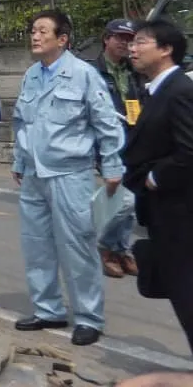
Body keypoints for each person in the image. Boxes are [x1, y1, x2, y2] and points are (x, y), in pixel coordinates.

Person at [12, 9, 125, 347]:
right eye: (33, 30)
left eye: (43, 31)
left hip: (69, 173)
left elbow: (106, 124)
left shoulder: (83, 74)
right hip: (34, 174)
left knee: (77, 247)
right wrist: (19, 159)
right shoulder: (32, 74)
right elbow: (22, 121)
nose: (35, 36)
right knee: (37, 246)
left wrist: (112, 165)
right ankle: (48, 310)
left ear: (62, 39)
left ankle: (89, 317)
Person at [124, 18, 193, 354]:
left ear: (165, 50)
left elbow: (189, 151)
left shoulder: (180, 91)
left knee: (186, 290)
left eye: (140, 42)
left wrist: (154, 178)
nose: (131, 49)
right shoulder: (154, 89)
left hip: (180, 213)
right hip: (162, 212)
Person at [88, 18, 142, 278]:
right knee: (121, 198)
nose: (124, 43)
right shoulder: (93, 71)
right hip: (106, 143)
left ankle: (121, 248)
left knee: (131, 199)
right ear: (106, 38)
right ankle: (107, 247)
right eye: (119, 37)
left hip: (133, 139)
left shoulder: (134, 71)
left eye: (128, 38)